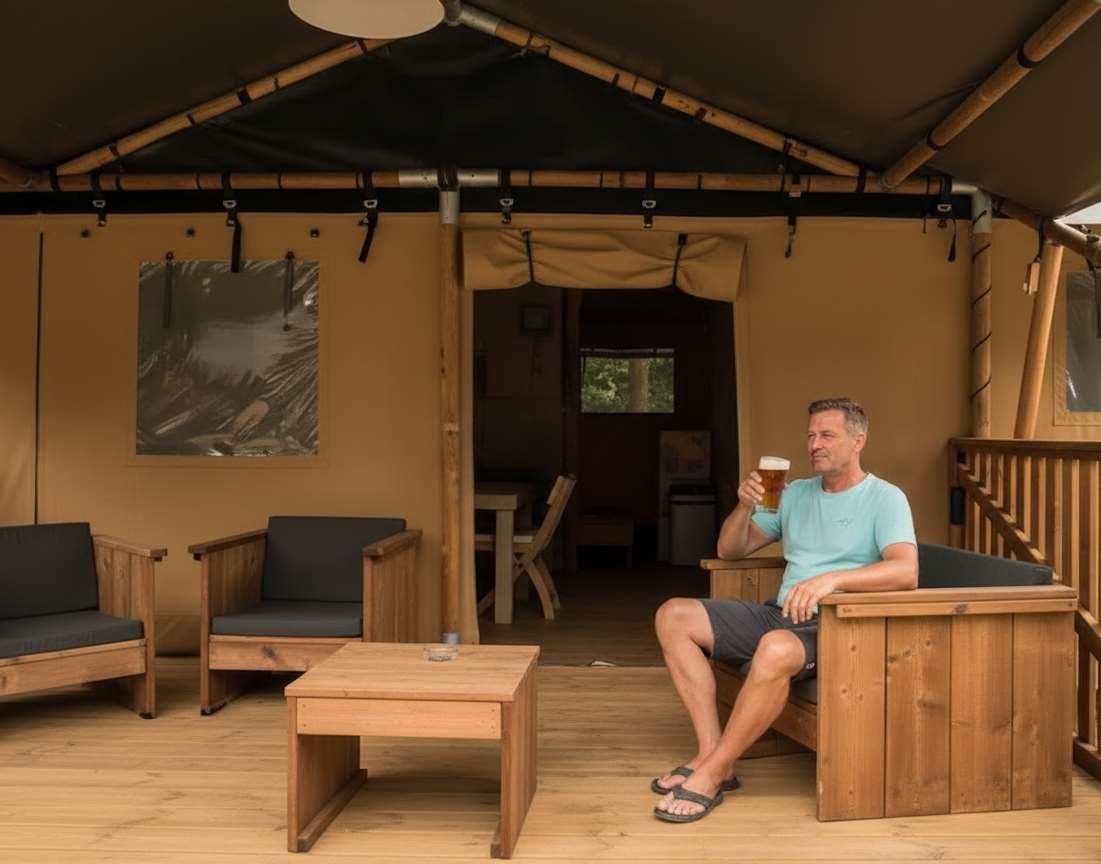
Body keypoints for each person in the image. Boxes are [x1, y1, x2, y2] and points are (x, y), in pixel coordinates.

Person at [652, 397, 918, 822]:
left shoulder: (884, 498)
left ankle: (715, 770)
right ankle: (709, 751)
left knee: (775, 647)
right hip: (782, 614)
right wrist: (743, 505)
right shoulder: (792, 494)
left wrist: (830, 581)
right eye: (811, 435)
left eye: (827, 435)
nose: (815, 444)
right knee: (673, 616)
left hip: (839, 625)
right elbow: (730, 550)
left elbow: (906, 571)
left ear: (858, 440)